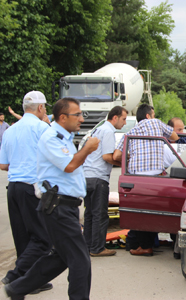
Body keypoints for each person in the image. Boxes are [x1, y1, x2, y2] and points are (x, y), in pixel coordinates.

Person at [4, 97, 100, 300]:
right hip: (58, 206)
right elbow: (69, 165)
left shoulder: (63, 137)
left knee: (62, 257)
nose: (82, 119)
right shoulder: (51, 137)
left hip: (65, 207)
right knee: (80, 260)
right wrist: (87, 149)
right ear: (63, 117)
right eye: (78, 115)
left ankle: (18, 287)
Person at [0, 91, 53, 295]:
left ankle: (28, 281)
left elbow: (3, 164)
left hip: (13, 187)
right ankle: (18, 276)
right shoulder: (42, 128)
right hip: (32, 186)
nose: (46, 110)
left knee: (21, 235)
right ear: (40, 108)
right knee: (41, 237)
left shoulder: (11, 130)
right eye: (45, 107)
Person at [113, 104, 178, 256]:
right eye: (153, 114)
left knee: (140, 213)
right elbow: (175, 137)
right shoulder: (155, 123)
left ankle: (146, 246)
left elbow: (116, 156)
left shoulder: (129, 133)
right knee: (162, 210)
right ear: (149, 116)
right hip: (157, 178)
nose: (154, 117)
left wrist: (131, 158)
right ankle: (167, 244)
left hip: (136, 178)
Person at [83, 106, 128, 257]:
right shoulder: (108, 131)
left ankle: (87, 246)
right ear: (114, 118)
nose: (124, 123)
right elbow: (107, 157)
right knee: (100, 215)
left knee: (90, 214)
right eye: (123, 119)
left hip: (87, 176)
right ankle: (97, 248)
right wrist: (124, 164)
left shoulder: (99, 129)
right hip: (98, 178)